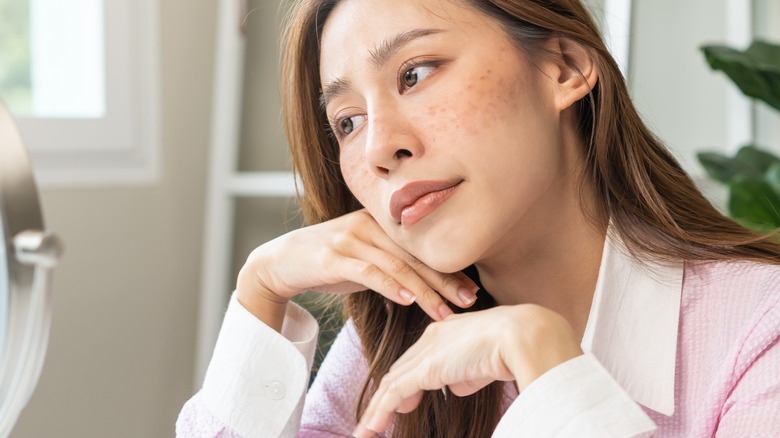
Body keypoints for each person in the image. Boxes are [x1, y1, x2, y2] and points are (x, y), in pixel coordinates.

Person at [177, 0, 780, 436]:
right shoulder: (391, 344)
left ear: (565, 66)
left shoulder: (759, 332)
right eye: (347, 121)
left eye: (414, 74)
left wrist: (549, 367)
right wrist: (261, 288)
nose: (379, 147)